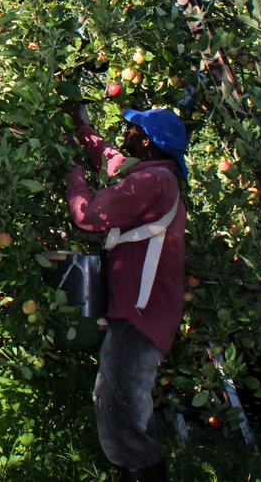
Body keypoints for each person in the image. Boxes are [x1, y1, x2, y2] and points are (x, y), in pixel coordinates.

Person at [64, 105, 187, 482]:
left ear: (146, 141)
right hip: (141, 310)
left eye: (132, 130)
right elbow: (112, 157)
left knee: (118, 415)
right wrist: (80, 130)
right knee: (132, 413)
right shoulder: (152, 175)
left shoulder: (151, 183)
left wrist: (74, 178)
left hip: (139, 314)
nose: (125, 134)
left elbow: (88, 214)